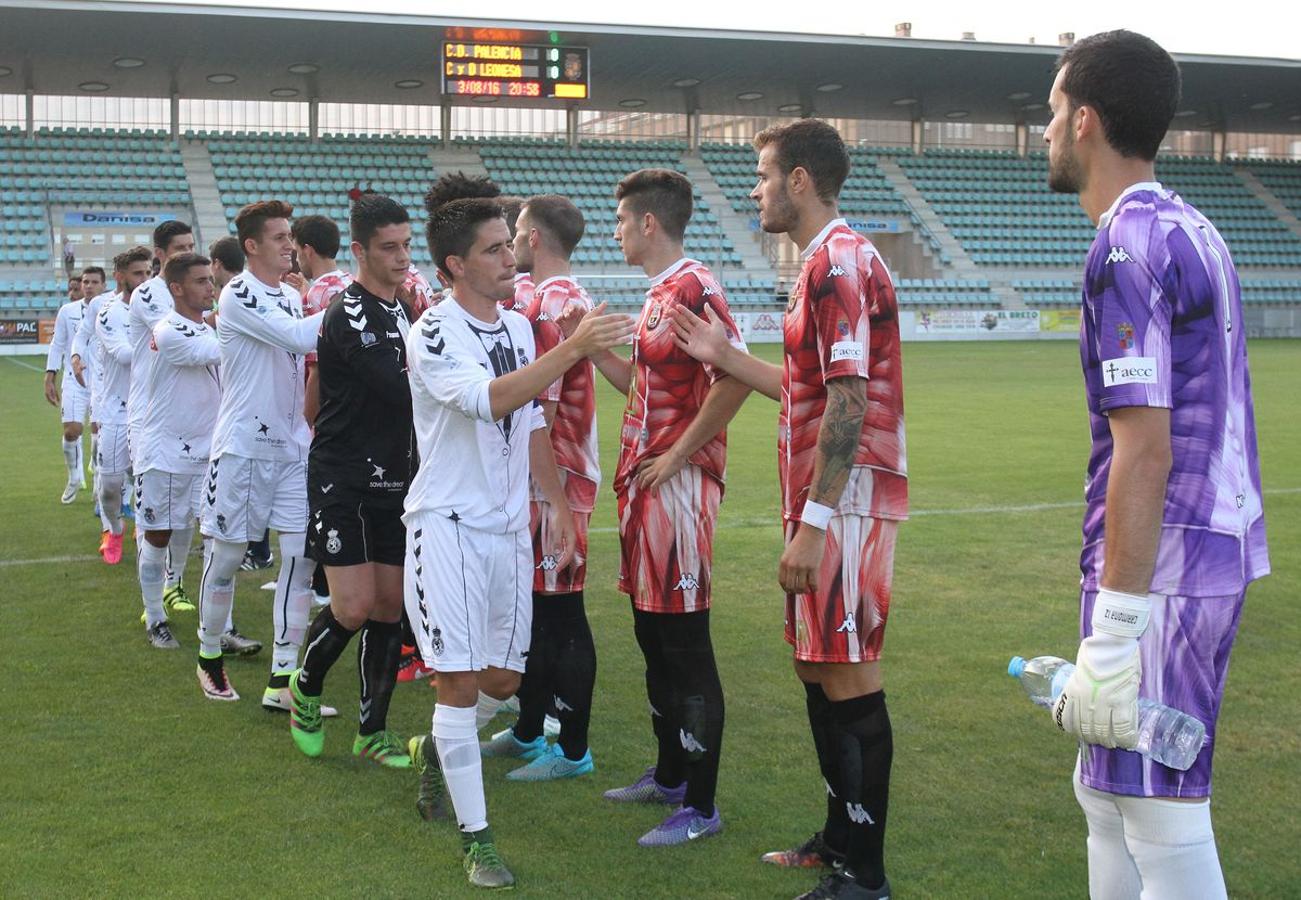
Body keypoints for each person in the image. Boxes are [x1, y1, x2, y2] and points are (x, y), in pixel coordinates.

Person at [1041, 31, 1269, 899]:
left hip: (1164, 568)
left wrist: (1117, 629)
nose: (1048, 131)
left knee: (1162, 815)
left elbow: (1143, 450)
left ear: (1088, 120)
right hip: (1203, 551)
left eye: (1056, 113)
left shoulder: (1124, 250)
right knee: (1103, 793)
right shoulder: (1191, 227)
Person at [672, 120, 906, 898]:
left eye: (765, 174)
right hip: (822, 502)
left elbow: (848, 400)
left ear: (800, 180)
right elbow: (806, 388)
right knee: (817, 667)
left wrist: (813, 526)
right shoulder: (821, 264)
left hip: (842, 505)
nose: (755, 189)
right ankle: (838, 837)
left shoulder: (838, 263)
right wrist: (725, 358)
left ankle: (862, 875)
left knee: (848, 677)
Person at [402, 197, 633, 888]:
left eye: (510, 244)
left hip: (508, 529)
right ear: (455, 265)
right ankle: (478, 842)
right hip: (446, 526)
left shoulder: (518, 328)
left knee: (502, 682)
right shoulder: (434, 332)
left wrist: (556, 504)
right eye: (495, 249)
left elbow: (531, 418)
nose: (511, 258)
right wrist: (575, 346)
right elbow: (491, 400)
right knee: (457, 682)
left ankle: (436, 752)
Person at [586, 168, 750, 847]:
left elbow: (735, 377)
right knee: (652, 636)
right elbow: (644, 390)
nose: (616, 230)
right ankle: (671, 773)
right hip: (641, 488)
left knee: (685, 646)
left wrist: (678, 456)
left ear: (649, 223)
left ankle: (701, 806)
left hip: (676, 491)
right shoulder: (656, 294)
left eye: (622, 220)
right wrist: (594, 351)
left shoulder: (694, 286)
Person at [286, 194, 415, 767]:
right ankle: (304, 686)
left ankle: (371, 732)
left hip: (398, 481)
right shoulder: (351, 314)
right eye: (389, 248)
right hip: (344, 478)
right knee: (355, 606)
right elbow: (404, 389)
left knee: (391, 608)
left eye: (407, 246)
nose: (402, 257)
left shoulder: (403, 310)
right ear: (360, 251)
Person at [480, 194, 601, 782]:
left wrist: (550, 498)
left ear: (533, 237)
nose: (510, 244)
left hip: (555, 476)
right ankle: (530, 730)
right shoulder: (546, 299)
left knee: (561, 615)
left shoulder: (555, 304)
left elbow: (543, 412)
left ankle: (573, 749)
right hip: (539, 477)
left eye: (515, 234)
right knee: (533, 612)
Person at [195, 200, 325, 703]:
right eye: (278, 237)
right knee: (226, 557)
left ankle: (282, 680)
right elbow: (296, 338)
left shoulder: (291, 298)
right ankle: (208, 654)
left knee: (300, 560)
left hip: (294, 447)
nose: (289, 244)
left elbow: (301, 339)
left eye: (289, 236)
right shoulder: (238, 295)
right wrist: (353, 300)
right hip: (245, 448)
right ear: (251, 246)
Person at [133, 253, 229, 649]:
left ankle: (219, 626)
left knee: (216, 537)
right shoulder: (169, 330)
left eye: (211, 279)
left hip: (209, 451)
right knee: (158, 536)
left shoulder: (207, 327)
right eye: (201, 281)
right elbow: (218, 352)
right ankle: (155, 616)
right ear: (176, 288)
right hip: (166, 451)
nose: (211, 287)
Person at [128, 220, 199, 615]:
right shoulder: (149, 293)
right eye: (178, 248)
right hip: (149, 417)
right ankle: (152, 606)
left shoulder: (196, 287)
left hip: (188, 419)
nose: (186, 252)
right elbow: (180, 334)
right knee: (155, 515)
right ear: (159, 254)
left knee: (187, 513)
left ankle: (175, 585)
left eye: (191, 245)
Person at [93, 247, 153, 565]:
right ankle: (114, 529)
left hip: (150, 410)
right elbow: (123, 354)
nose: (145, 280)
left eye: (148, 273)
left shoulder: (158, 305)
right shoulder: (109, 312)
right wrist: (162, 342)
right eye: (138, 274)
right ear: (120, 277)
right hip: (116, 410)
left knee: (147, 477)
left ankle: (142, 529)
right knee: (110, 487)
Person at [44, 267, 103, 503]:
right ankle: (74, 477)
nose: (87, 286)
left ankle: (100, 481)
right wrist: (50, 375)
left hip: (103, 381)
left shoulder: (111, 309)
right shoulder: (67, 311)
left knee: (101, 433)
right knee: (71, 431)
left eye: (93, 282)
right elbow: (57, 344)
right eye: (85, 282)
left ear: (103, 285)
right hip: (73, 379)